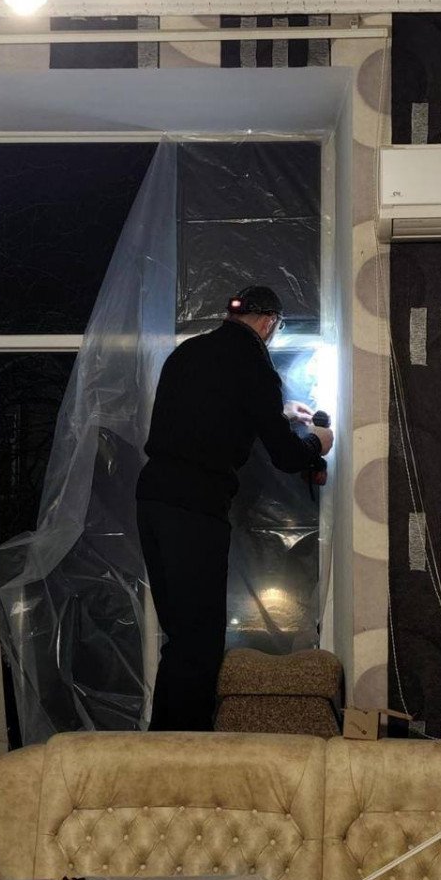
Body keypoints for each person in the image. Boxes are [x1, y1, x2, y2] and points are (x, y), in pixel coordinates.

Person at [136, 286, 334, 731]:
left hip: (153, 498)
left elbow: (207, 412)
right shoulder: (253, 361)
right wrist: (317, 443)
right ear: (269, 323)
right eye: (275, 329)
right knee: (201, 643)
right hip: (195, 507)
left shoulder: (189, 353)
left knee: (180, 636)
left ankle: (159, 746)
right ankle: (187, 747)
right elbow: (287, 457)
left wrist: (279, 412)